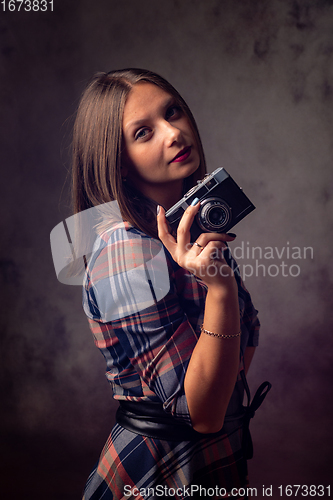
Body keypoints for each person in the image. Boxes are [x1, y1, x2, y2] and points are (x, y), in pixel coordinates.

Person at [72, 69, 260, 500]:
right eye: (144, 132)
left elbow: (239, 363)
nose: (173, 133)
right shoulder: (126, 251)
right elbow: (204, 412)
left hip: (213, 465)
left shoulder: (188, 233)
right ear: (117, 161)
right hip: (157, 476)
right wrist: (221, 291)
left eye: (172, 112)